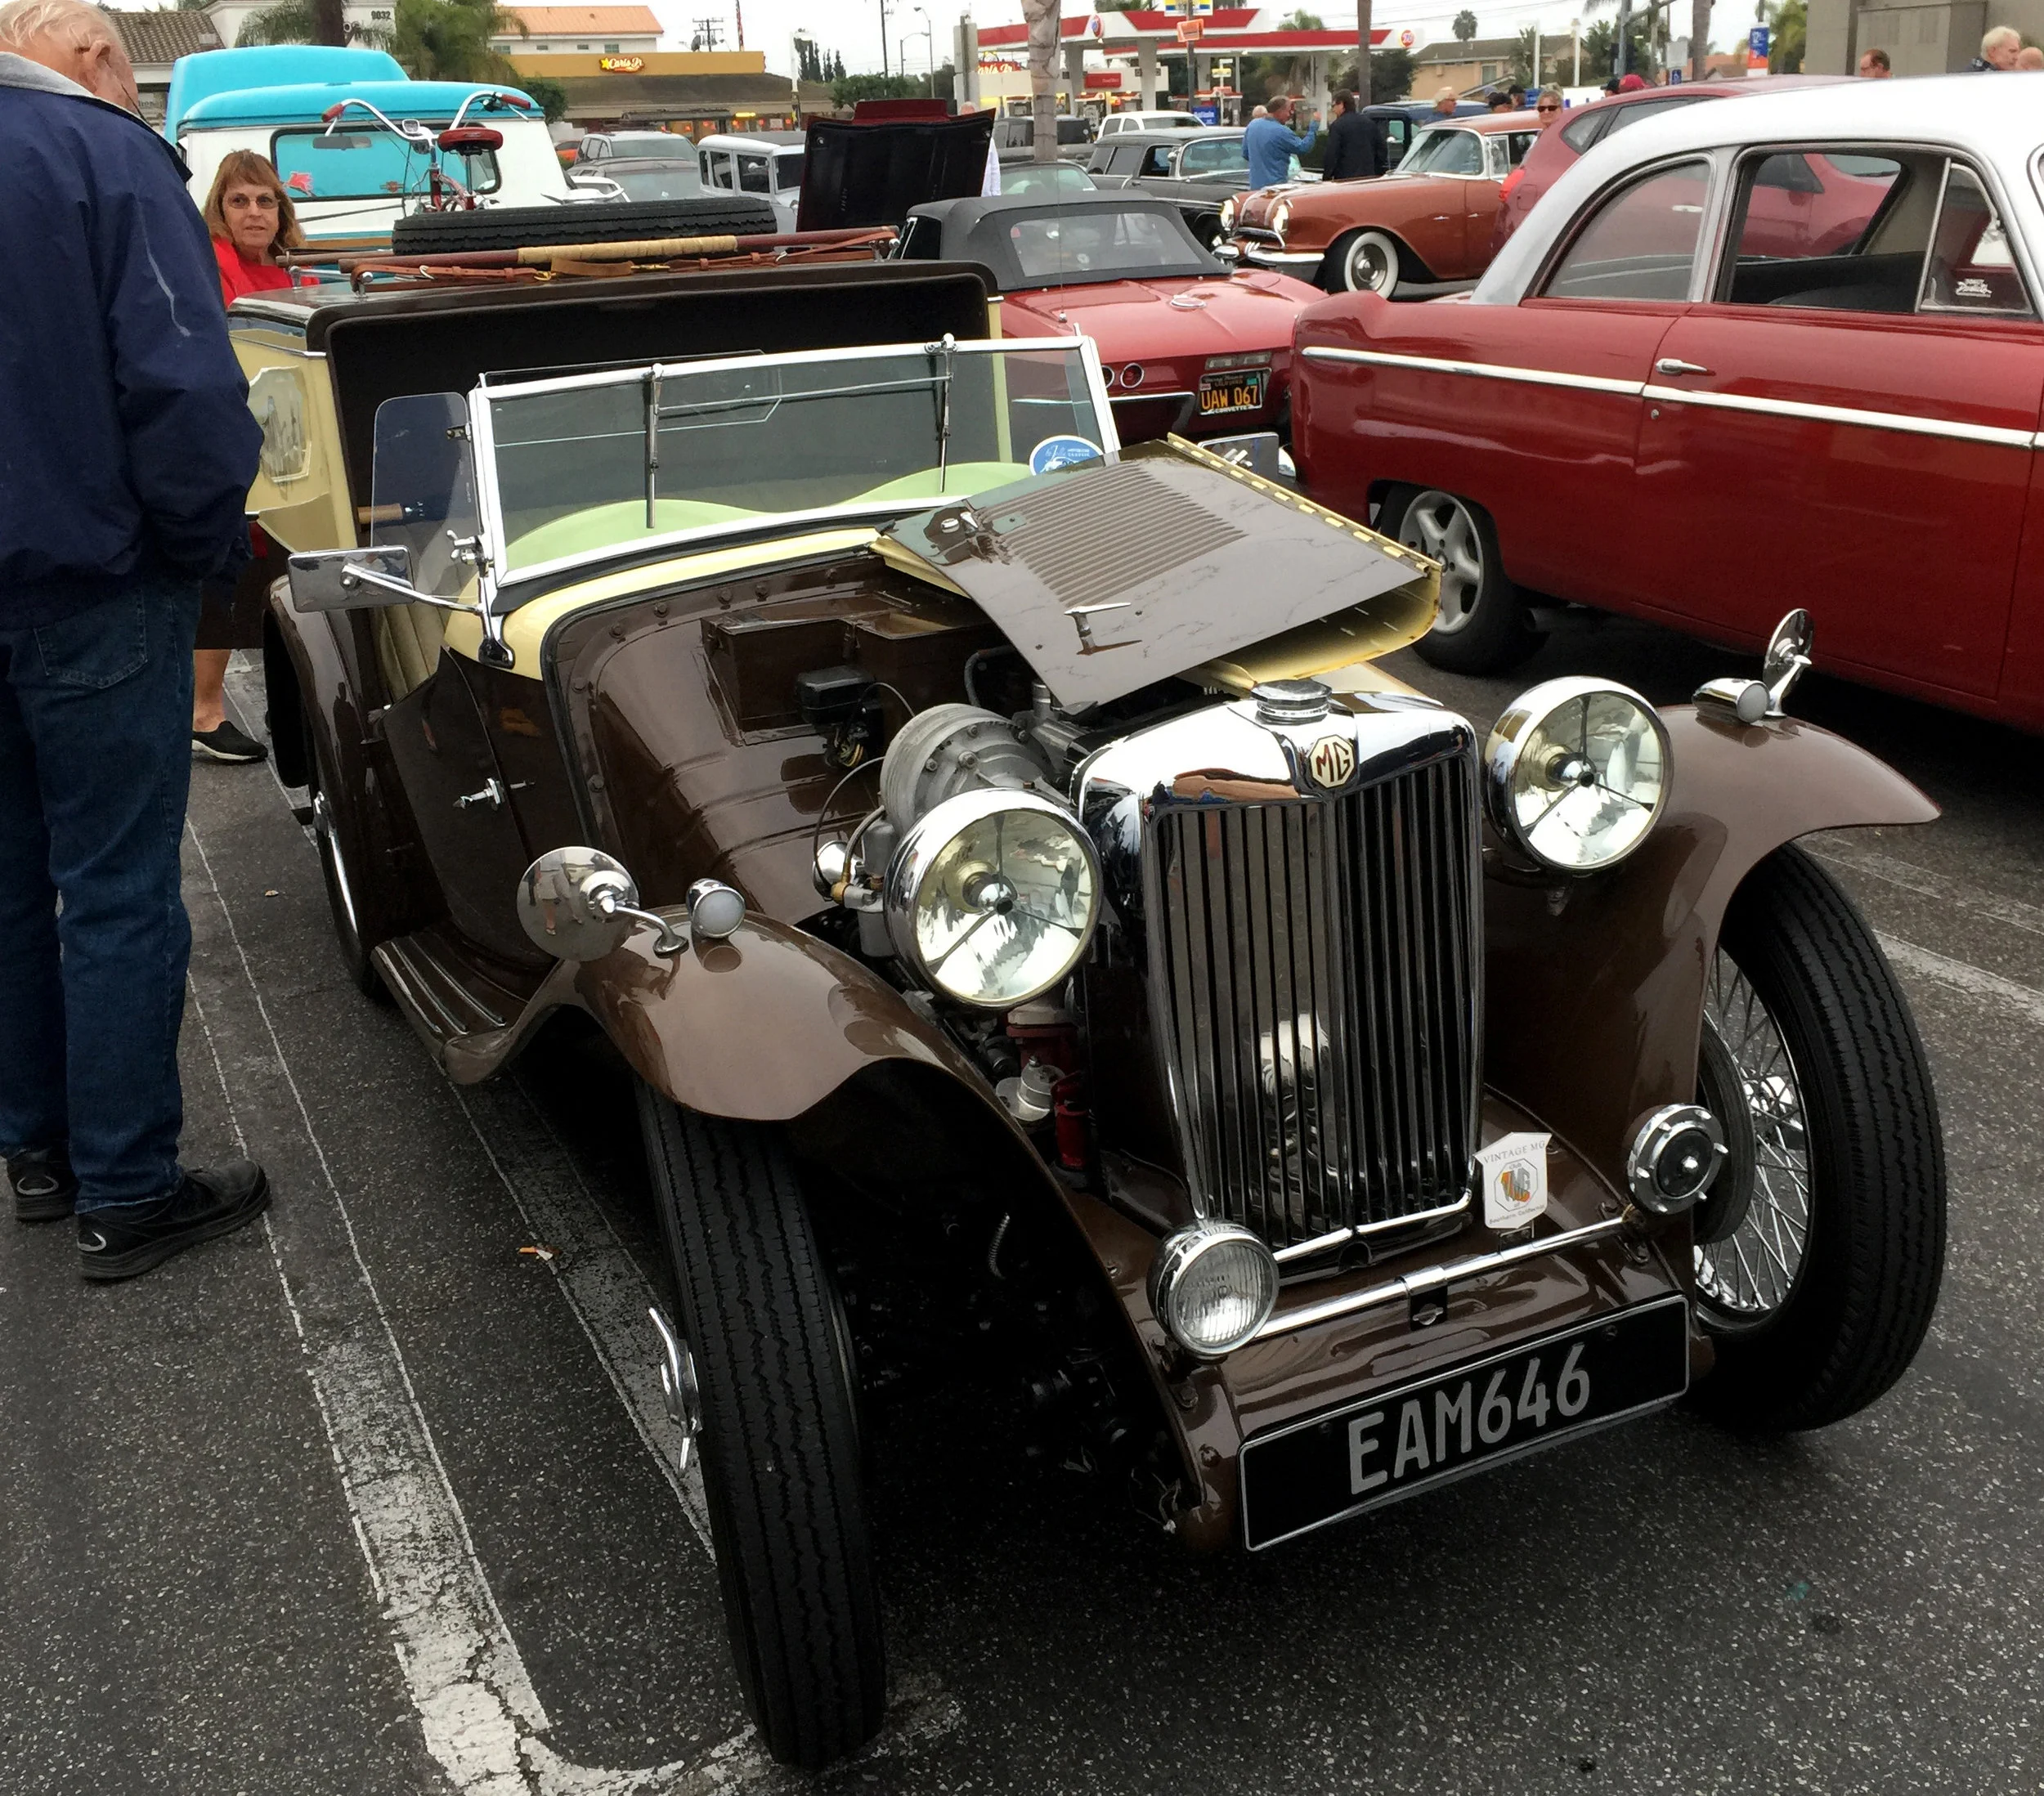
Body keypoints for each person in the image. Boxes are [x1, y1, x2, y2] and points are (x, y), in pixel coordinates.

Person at [0, 0, 269, 1278]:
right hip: (92, 580)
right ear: (88, 53)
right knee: (112, 890)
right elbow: (189, 391)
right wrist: (197, 544)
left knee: (7, 886)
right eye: (107, 52)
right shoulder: (105, 158)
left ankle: (40, 1157)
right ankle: (127, 1185)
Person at [195, 150, 307, 764]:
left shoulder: (297, 268)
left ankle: (285, 698)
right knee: (231, 568)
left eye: (266, 200)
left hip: (288, 438)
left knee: (284, 566)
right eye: (240, 200)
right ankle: (204, 711)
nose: (255, 211)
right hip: (235, 436)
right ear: (221, 210)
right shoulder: (213, 266)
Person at [1243, 92, 1318, 190]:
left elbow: (1245, 153)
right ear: (1279, 111)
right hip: (1276, 188)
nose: (1289, 115)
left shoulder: (1252, 126)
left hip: (1255, 188)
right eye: (1288, 111)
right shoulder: (1282, 131)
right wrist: (1313, 128)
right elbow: (1303, 148)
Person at [1321, 87, 1379, 181]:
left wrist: (1326, 177)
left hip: (1345, 179)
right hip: (1369, 178)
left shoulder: (1337, 126)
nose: (1333, 109)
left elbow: (1331, 155)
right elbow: (1381, 150)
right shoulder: (1369, 123)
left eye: (1334, 105)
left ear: (1341, 105)